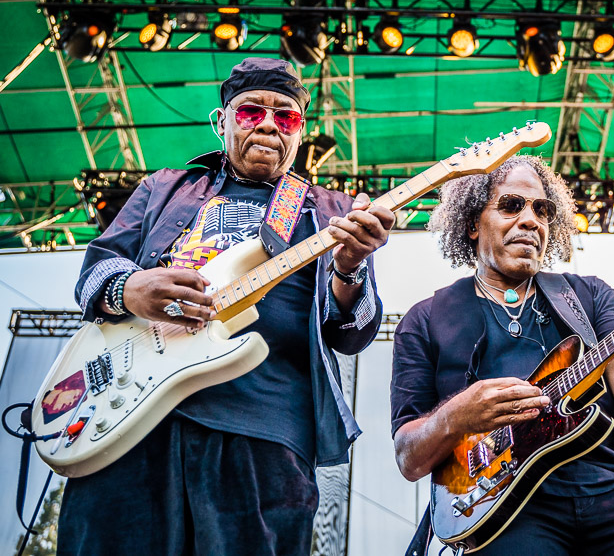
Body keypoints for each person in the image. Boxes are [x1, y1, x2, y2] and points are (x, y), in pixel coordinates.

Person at [58, 57, 394, 555]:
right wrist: (131, 290)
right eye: (250, 112)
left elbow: (353, 331)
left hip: (264, 431)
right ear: (222, 121)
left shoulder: (331, 211)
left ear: (300, 133)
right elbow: (93, 276)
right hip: (133, 419)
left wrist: (350, 268)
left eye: (286, 117)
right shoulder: (164, 189)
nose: (267, 125)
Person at [390, 155, 614, 555]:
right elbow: (409, 457)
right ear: (472, 224)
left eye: (541, 210)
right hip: (503, 510)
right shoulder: (425, 319)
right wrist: (457, 416)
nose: (531, 220)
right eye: (511, 205)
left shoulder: (588, 294)